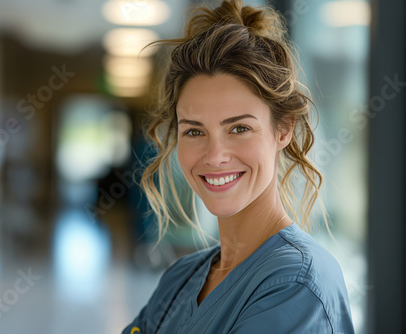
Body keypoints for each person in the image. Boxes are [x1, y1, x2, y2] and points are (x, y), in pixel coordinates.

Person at [123, 0, 355, 333]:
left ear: (283, 128)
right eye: (194, 131)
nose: (215, 156)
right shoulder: (180, 279)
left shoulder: (296, 286)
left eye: (239, 128)